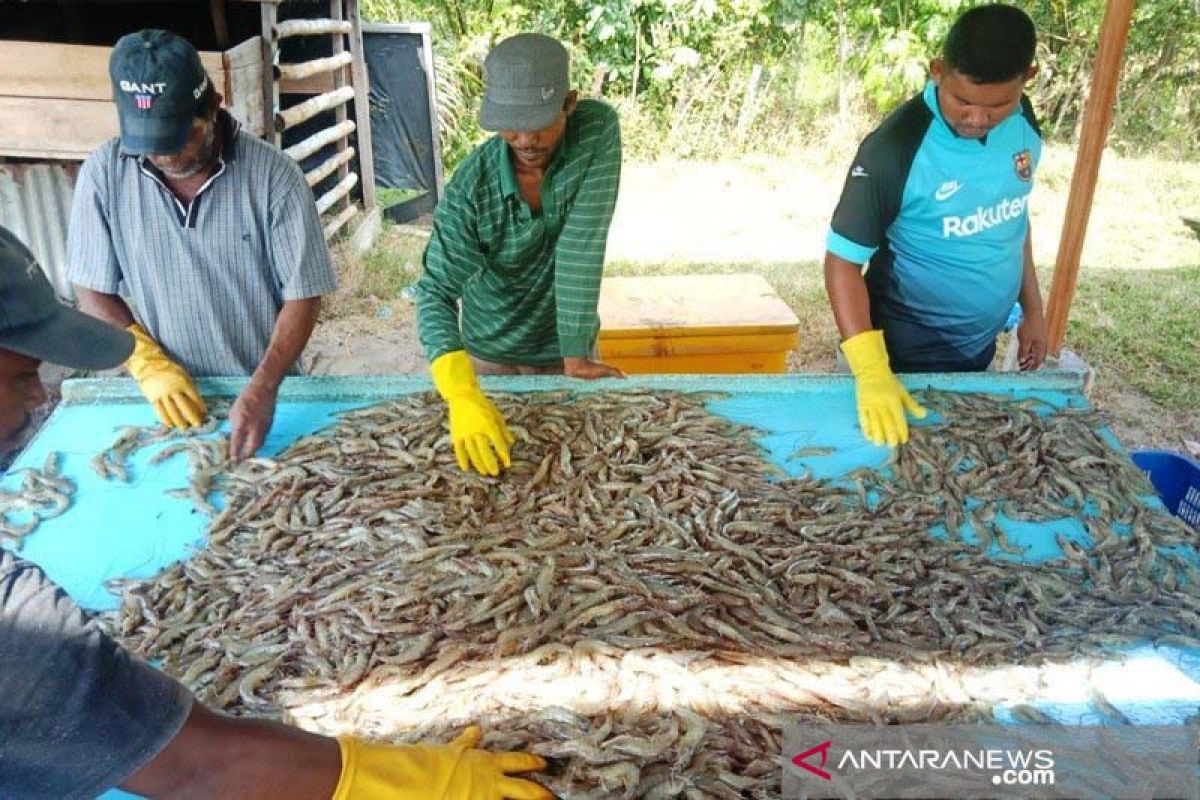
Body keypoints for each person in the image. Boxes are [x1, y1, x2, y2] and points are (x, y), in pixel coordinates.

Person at [0, 226, 553, 799]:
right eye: (22, 376)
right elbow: (196, 764)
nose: (41, 398)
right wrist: (414, 780)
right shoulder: (14, 625)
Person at [67, 29, 337, 460]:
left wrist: (264, 386)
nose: (167, 156)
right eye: (151, 144)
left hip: (264, 392)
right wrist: (145, 362)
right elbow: (90, 287)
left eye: (180, 137)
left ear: (213, 105)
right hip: (168, 398)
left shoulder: (274, 178)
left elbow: (303, 296)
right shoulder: (105, 174)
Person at [824, 4, 1047, 447]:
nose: (977, 119)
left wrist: (1034, 312)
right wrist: (872, 371)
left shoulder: (1024, 123)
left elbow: (1012, 216)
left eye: (997, 104)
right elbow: (841, 263)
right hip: (906, 347)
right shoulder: (895, 149)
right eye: (962, 100)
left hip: (977, 344)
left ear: (1029, 77)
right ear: (938, 71)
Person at [415, 33, 624, 477]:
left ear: (569, 102)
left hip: (568, 351)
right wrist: (462, 392)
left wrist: (575, 356)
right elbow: (434, 291)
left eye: (540, 123)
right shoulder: (472, 189)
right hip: (491, 356)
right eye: (511, 125)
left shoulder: (596, 133)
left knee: (580, 478)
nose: (526, 139)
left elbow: (580, 245)